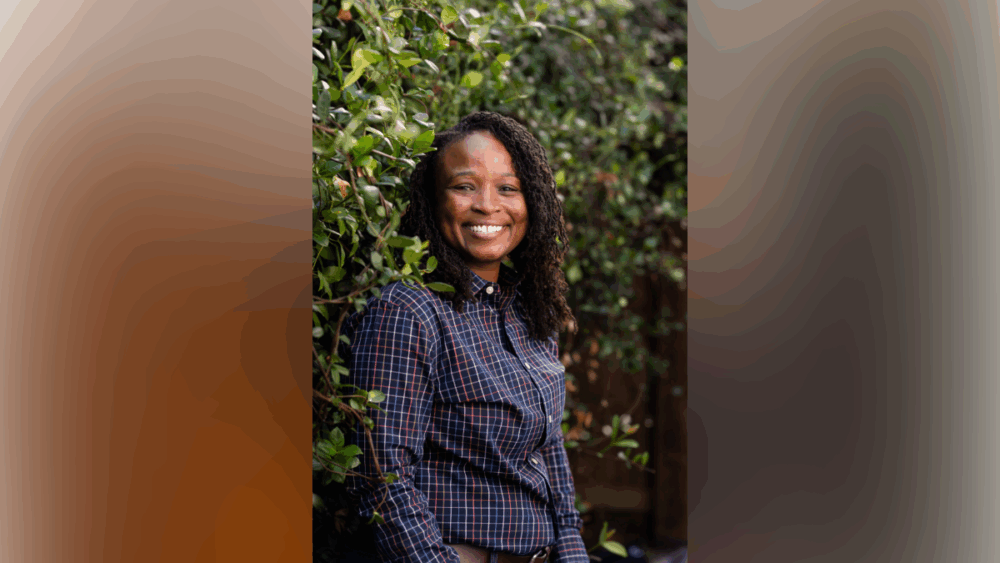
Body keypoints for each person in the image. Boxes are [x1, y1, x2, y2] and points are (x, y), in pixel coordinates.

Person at [342, 111, 587, 563]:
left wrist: (572, 553)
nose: (487, 205)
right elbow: (381, 477)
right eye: (464, 186)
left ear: (531, 201)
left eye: (508, 188)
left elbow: (548, 450)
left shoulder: (530, 311)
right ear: (432, 201)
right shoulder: (408, 312)